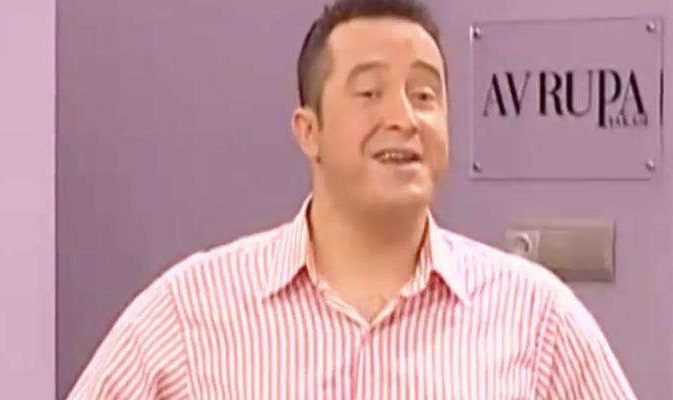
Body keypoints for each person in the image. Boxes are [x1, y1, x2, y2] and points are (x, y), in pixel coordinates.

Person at [67, 0, 637, 398]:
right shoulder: (190, 312)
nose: (403, 118)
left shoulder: (536, 317)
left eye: (424, 94)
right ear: (308, 131)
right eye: (369, 92)